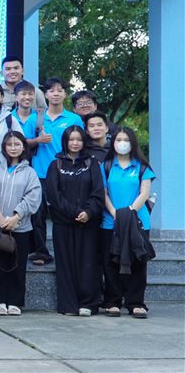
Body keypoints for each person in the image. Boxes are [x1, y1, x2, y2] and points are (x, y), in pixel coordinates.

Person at [45, 125, 105, 316]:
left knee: (88, 263)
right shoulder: (55, 165)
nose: (75, 143)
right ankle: (68, 305)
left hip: (88, 223)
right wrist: (75, 212)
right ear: (65, 141)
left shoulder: (92, 164)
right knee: (65, 264)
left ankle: (88, 303)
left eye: (78, 139)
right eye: (71, 139)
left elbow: (98, 192)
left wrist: (88, 212)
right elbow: (54, 195)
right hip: (63, 223)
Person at [99, 127, 156, 319]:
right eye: (118, 140)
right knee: (110, 262)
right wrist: (115, 213)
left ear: (132, 143)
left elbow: (145, 192)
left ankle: (136, 302)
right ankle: (112, 301)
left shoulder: (142, 167)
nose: (122, 143)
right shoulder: (106, 166)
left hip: (138, 222)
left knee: (138, 261)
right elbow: (103, 193)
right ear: (112, 143)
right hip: (110, 222)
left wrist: (129, 212)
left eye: (126, 140)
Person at [0, 131, 42, 317]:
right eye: (9, 144)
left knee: (17, 265)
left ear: (23, 147)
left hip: (20, 226)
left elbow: (33, 196)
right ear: (4, 147)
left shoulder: (29, 172)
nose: (13, 148)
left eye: (17, 144)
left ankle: (15, 301)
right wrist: (0, 217)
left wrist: (17, 216)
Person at [29, 78, 84, 266]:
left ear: (65, 94)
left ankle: (68, 251)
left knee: (64, 212)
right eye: (52, 90)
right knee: (38, 214)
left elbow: (80, 144)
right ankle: (41, 252)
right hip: (39, 173)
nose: (56, 94)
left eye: (60, 90)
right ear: (45, 94)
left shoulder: (74, 119)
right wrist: (38, 140)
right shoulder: (36, 118)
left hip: (66, 172)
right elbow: (24, 142)